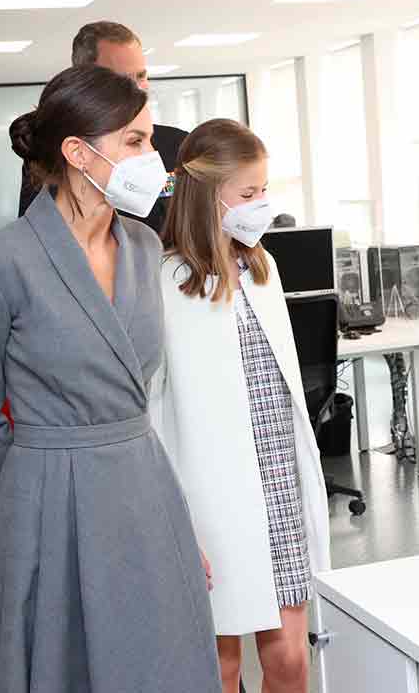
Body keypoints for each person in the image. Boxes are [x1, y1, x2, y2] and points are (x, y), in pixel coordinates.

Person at [0, 65, 220, 692]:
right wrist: (27, 485)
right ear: (77, 151)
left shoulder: (147, 248)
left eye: (150, 141)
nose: (153, 157)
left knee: (159, 660)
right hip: (45, 493)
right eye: (135, 141)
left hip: (142, 481)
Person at [153, 118, 330, 693]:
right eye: (248, 194)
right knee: (219, 664)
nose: (263, 206)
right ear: (207, 196)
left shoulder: (262, 267)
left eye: (264, 191)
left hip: (279, 482)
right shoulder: (168, 280)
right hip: (213, 501)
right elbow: (157, 411)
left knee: (290, 661)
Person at [17, 21, 188, 235]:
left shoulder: (179, 143)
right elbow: (35, 241)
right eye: (121, 79)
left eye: (141, 76)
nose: (136, 89)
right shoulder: (53, 154)